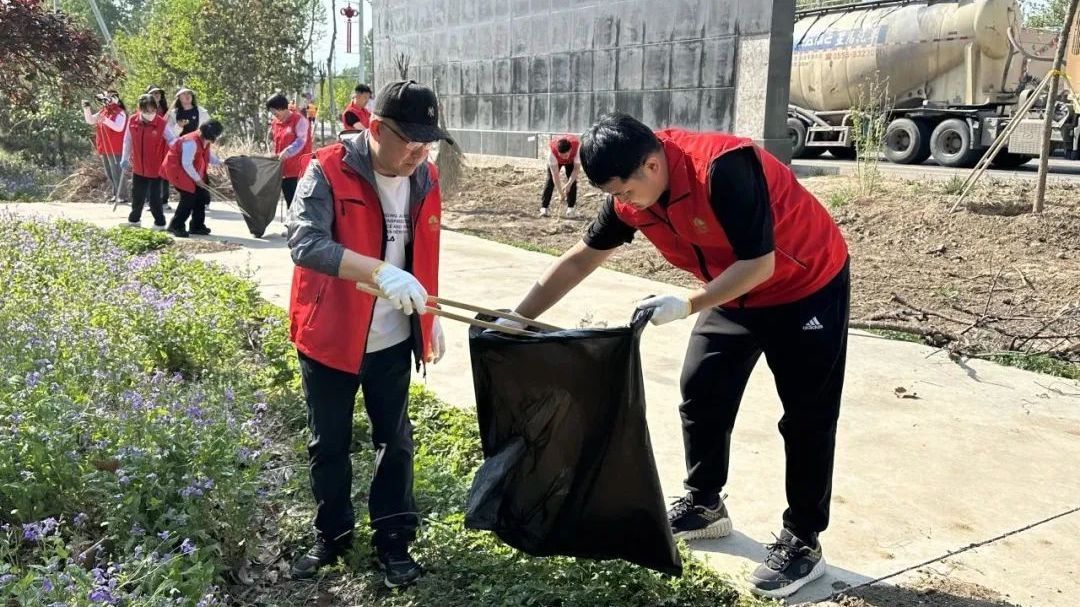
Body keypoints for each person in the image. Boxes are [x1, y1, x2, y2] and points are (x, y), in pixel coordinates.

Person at [494, 113, 850, 599]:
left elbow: (761, 262)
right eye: (614, 195)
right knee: (701, 390)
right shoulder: (630, 198)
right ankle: (706, 505)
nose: (621, 203)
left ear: (652, 164)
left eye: (624, 191)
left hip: (803, 284)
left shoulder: (722, 167)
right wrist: (519, 319)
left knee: (807, 416)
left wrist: (688, 303)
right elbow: (580, 257)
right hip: (735, 291)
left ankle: (803, 540)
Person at [286, 80, 452, 588]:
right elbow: (305, 243)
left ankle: (394, 541)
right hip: (331, 336)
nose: (421, 153)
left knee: (396, 442)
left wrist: (431, 312)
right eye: (411, 141)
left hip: (393, 338)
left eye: (429, 142)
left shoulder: (425, 176)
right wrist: (379, 272)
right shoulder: (328, 169)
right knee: (328, 444)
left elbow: (421, 253)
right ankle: (331, 537)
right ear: (376, 128)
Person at [119, 94, 176, 229]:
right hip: (138, 166)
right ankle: (134, 220)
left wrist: (178, 149)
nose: (150, 114)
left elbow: (172, 139)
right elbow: (127, 140)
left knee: (155, 198)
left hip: (156, 168)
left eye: (153, 110)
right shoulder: (132, 121)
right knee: (137, 196)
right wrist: (124, 158)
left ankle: (160, 223)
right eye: (146, 111)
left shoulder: (161, 123)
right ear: (139, 109)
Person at [161, 120, 224, 238]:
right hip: (176, 169)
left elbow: (207, 155)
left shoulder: (205, 139)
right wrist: (197, 179)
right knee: (189, 196)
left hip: (188, 169)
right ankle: (176, 225)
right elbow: (186, 164)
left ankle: (197, 226)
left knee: (202, 196)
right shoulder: (191, 142)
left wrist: (221, 162)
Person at [82, 91, 128, 205]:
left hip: (115, 147)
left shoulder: (120, 112)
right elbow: (90, 120)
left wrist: (106, 120)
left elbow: (119, 128)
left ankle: (122, 195)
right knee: (109, 172)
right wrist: (86, 108)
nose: (107, 98)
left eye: (110, 96)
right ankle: (115, 193)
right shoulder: (103, 111)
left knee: (117, 171)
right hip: (105, 147)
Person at [266, 93, 310, 210]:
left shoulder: (299, 120)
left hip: (298, 170)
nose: (274, 115)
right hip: (283, 169)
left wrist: (288, 151)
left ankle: (296, 226)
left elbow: (302, 141)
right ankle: (291, 226)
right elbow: (274, 141)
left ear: (282, 107)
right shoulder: (276, 122)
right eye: (272, 113)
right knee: (289, 201)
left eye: (275, 112)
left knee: (298, 203)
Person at [146, 85, 174, 212]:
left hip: (163, 145)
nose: (157, 95)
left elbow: (170, 130)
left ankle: (164, 201)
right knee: (149, 173)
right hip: (150, 145)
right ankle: (150, 201)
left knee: (163, 173)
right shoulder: (144, 110)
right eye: (154, 93)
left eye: (158, 93)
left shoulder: (167, 111)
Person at [541, 134, 581, 218]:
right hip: (556, 161)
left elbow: (576, 169)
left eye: (565, 155)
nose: (564, 158)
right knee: (550, 180)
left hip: (571, 160)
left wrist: (569, 184)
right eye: (561, 155)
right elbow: (555, 175)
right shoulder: (552, 154)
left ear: (570, 150)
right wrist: (561, 193)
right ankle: (544, 208)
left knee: (572, 181)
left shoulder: (577, 149)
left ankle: (570, 208)